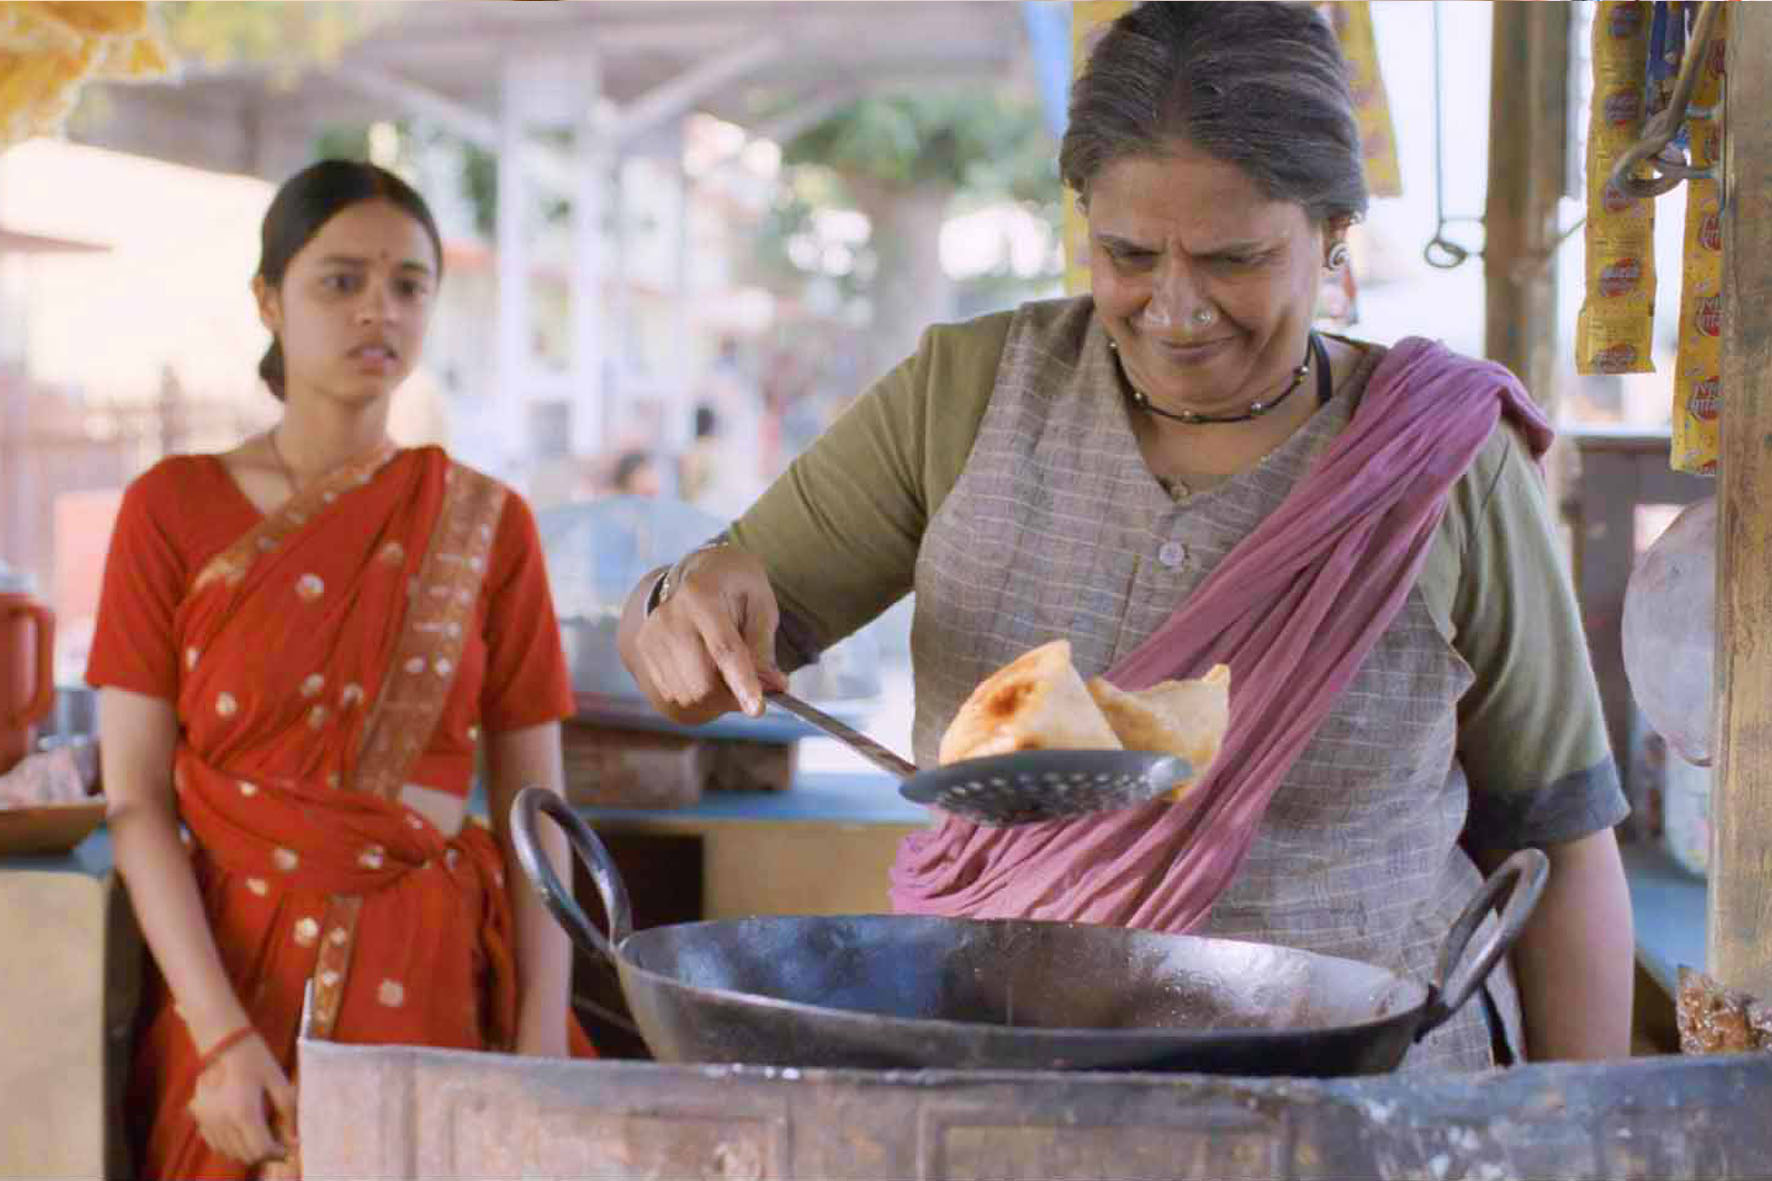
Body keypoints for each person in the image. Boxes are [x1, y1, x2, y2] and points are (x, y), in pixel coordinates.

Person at [619, 2, 1634, 1072]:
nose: (1176, 306)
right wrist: (674, 606)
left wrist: (1581, 1133)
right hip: (1002, 1084)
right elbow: (692, 670)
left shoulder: (1439, 457)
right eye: (1129, 252)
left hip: (1369, 1101)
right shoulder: (961, 393)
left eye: (1235, 258)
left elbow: (1562, 843)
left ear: (1333, 235)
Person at [89, 159, 592, 1180]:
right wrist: (220, 1036)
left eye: (409, 283)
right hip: (232, 979)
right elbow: (136, 800)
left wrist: (543, 1027)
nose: (380, 308)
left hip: (434, 972)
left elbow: (537, 804)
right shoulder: (170, 509)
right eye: (341, 279)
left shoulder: (484, 522)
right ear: (269, 299)